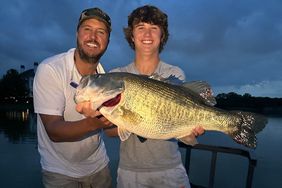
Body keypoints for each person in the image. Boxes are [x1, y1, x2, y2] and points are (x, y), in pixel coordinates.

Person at [77, 5, 204, 188]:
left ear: (162, 36)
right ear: (132, 36)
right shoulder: (118, 73)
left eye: (154, 29)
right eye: (141, 28)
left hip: (171, 170)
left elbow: (183, 126)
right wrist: (101, 116)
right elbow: (112, 132)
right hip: (130, 173)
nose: (147, 34)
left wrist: (192, 130)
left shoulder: (174, 74)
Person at [33, 7, 113, 188]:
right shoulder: (51, 69)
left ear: (107, 41)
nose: (93, 37)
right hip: (59, 172)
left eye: (101, 32)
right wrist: (95, 123)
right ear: (77, 33)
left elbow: (112, 130)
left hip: (99, 165)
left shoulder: (108, 79)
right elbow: (53, 130)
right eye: (87, 29)